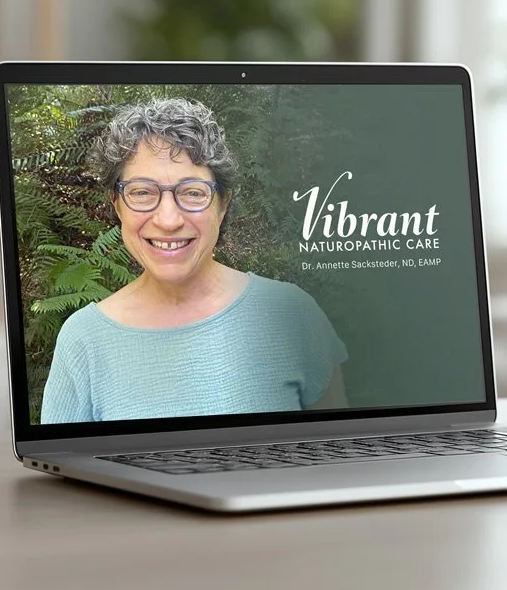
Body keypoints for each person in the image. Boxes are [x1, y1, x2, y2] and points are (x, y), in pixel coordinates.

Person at [40, 98, 348, 423]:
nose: (169, 219)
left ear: (223, 205)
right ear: (117, 205)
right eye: (142, 192)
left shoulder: (294, 315)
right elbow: (62, 468)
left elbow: (340, 456)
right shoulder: (84, 341)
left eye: (193, 192)